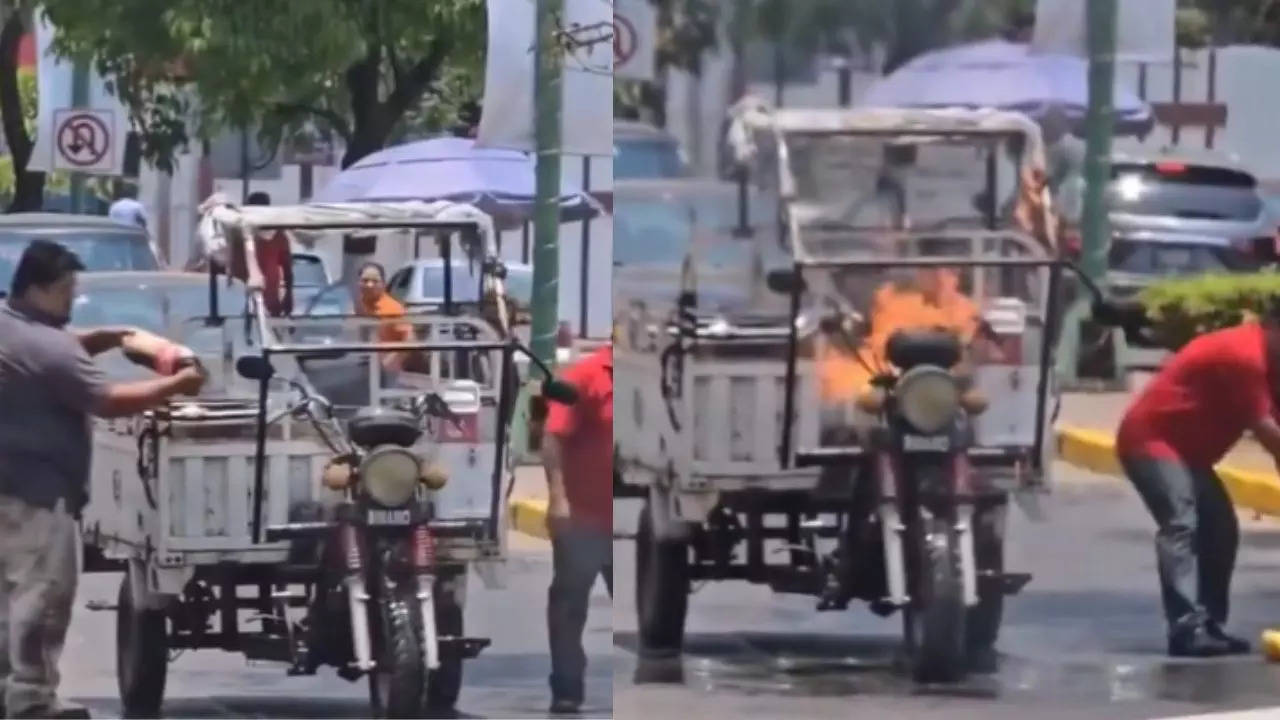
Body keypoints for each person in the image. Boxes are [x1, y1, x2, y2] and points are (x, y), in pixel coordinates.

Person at [0, 240, 205, 718]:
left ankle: (9, 690)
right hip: (38, 493)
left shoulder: (12, 328)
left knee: (8, 600)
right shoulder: (45, 346)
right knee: (42, 597)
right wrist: (178, 385)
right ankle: (31, 701)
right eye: (68, 290)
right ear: (41, 289)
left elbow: (57, 349)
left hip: (10, 485)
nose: (73, 299)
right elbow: (107, 399)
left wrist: (108, 337)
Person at [1116, 315, 1280, 657]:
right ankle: (1186, 628)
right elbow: (1267, 431)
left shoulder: (1270, 361)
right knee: (1181, 523)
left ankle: (1210, 625)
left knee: (1220, 530)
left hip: (1190, 455)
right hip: (1152, 442)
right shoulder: (1243, 355)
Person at [542, 344, 612, 715]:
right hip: (583, 518)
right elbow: (553, 439)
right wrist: (557, 499)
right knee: (569, 608)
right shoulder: (585, 376)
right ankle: (566, 688)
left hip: (625, 521)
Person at [229, 191, 294, 317]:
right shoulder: (239, 234)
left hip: (270, 303)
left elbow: (288, 270)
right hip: (240, 303)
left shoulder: (278, 236)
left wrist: (289, 295)